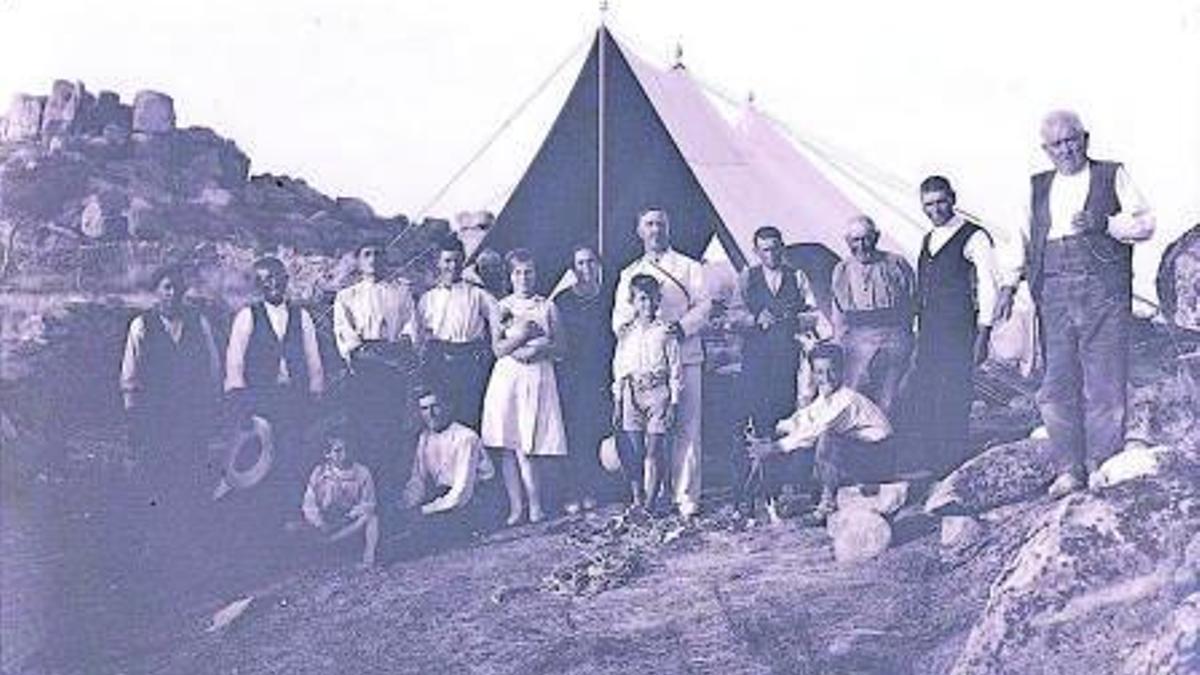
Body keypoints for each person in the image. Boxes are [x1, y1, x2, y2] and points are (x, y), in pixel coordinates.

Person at [995, 110, 1155, 498]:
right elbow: (1019, 238)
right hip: (1052, 293)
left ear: (1085, 138)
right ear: (1045, 149)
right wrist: (1007, 286)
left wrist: (1105, 223)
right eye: (1057, 144)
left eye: (1072, 140)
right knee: (1056, 385)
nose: (1066, 149)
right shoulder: (1034, 187)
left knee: (1105, 382)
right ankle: (1068, 469)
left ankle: (1101, 464)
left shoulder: (1111, 174)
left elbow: (1145, 223)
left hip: (1104, 293)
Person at [612, 208, 711, 518]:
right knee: (646, 438)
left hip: (685, 355)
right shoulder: (629, 273)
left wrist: (680, 328)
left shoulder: (688, 267)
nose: (655, 230)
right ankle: (649, 497)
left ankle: (685, 496)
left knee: (686, 428)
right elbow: (619, 317)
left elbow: (704, 306)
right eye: (649, 225)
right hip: (645, 366)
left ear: (668, 229)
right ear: (640, 231)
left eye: (660, 224)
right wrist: (631, 326)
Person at [904, 176, 1003, 478]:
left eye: (941, 202)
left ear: (953, 198)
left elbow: (989, 286)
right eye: (929, 204)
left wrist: (984, 334)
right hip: (931, 330)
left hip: (959, 329)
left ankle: (951, 462)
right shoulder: (928, 238)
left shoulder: (975, 236)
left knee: (954, 392)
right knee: (928, 391)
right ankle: (932, 461)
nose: (935, 209)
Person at [745, 343, 893, 524]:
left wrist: (774, 447)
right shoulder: (825, 399)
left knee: (825, 439)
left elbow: (815, 430)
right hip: (860, 450)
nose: (826, 378)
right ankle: (805, 493)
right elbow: (803, 419)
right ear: (813, 374)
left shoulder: (846, 400)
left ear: (842, 370)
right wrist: (773, 430)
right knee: (803, 438)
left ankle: (826, 506)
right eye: (820, 372)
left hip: (880, 456)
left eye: (832, 371)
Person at [224, 257, 325, 513]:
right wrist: (240, 399)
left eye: (278, 277)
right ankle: (261, 517)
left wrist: (315, 390)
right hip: (260, 398)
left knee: (291, 455)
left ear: (286, 280)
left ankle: (289, 515)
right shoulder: (247, 316)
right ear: (259, 284)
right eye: (266, 279)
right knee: (260, 458)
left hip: (293, 397)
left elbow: (313, 358)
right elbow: (235, 361)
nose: (273, 283)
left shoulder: (301, 316)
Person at [119, 264, 221, 514]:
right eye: (167, 287)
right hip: (156, 412)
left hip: (191, 411)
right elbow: (130, 375)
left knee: (191, 467)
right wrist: (133, 415)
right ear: (156, 291)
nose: (172, 293)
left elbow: (213, 366)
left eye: (178, 288)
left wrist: (212, 406)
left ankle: (188, 522)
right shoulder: (141, 325)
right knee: (156, 469)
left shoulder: (199, 323)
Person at [480, 249, 568, 525]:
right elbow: (498, 348)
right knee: (509, 442)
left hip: (538, 376)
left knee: (530, 443)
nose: (523, 277)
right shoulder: (502, 307)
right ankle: (516, 508)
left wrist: (538, 351)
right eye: (518, 272)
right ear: (511, 275)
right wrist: (523, 341)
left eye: (528, 272)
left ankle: (536, 506)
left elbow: (562, 347)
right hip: (509, 377)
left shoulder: (547, 306)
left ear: (536, 274)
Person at [332, 241, 419, 495]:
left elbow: (411, 328)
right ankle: (367, 494)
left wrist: (401, 347)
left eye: (378, 254)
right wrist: (367, 355)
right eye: (367, 254)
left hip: (393, 368)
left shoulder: (401, 292)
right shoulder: (347, 296)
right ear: (359, 261)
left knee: (392, 429)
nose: (373, 259)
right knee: (363, 429)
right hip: (364, 371)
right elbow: (346, 337)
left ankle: (390, 491)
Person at [731, 226, 828, 433]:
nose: (771, 254)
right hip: (756, 353)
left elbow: (813, 313)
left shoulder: (797, 276)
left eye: (775, 248)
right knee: (757, 406)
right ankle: (759, 454)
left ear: (782, 248)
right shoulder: (748, 277)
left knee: (785, 404)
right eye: (765, 250)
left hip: (787, 352)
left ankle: (782, 454)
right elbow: (734, 315)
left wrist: (794, 319)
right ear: (756, 252)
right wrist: (755, 319)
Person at [552, 245, 615, 513]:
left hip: (602, 373)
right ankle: (574, 490)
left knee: (597, 433)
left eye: (590, 262)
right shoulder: (562, 301)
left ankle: (596, 489)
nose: (586, 268)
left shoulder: (609, 296)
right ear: (572, 268)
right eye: (580, 263)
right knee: (575, 434)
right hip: (573, 376)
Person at [611, 274, 682, 513]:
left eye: (651, 299)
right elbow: (619, 367)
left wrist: (674, 402)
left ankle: (650, 503)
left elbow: (675, 367)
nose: (647, 305)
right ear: (632, 301)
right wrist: (619, 400)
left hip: (658, 393)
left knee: (653, 450)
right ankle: (637, 498)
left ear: (658, 300)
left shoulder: (665, 331)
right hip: (632, 392)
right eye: (641, 299)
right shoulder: (626, 332)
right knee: (635, 452)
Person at [831, 215, 916, 414]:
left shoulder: (896, 263)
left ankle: (887, 442)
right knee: (852, 396)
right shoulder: (842, 270)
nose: (862, 245)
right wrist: (840, 343)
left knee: (890, 398)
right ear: (847, 242)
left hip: (894, 336)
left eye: (867, 238)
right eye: (855, 240)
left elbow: (913, 302)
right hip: (857, 339)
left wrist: (907, 337)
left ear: (876, 237)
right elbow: (839, 314)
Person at [417, 237, 500, 430]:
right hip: (438, 363)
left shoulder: (479, 295)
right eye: (447, 261)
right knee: (441, 417)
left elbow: (500, 319)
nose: (452, 266)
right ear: (439, 262)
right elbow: (420, 337)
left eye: (456, 260)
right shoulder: (427, 299)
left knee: (469, 415)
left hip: (469, 363)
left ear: (463, 261)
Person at [401, 387, 495, 518]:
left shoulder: (466, 437)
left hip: (473, 500)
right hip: (447, 498)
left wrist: (424, 510)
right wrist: (406, 505)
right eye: (424, 409)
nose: (430, 414)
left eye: (436, 406)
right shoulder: (425, 437)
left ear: (449, 407)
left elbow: (462, 491)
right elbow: (418, 479)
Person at [299, 434, 380, 568]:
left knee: (372, 519)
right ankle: (318, 553)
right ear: (327, 454)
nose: (345, 455)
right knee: (293, 528)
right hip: (324, 523)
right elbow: (309, 504)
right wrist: (319, 524)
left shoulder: (362, 472)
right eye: (338, 451)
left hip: (348, 523)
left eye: (347, 449)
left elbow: (369, 503)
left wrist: (352, 514)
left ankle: (368, 560)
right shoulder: (319, 473)